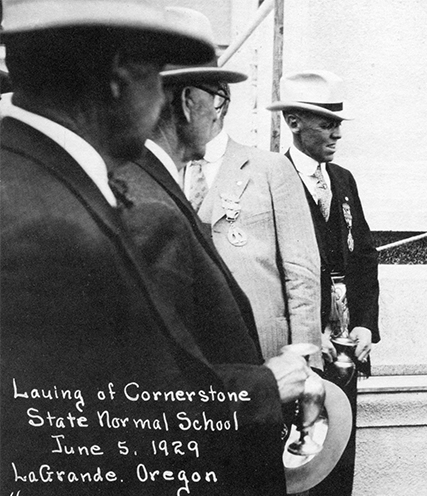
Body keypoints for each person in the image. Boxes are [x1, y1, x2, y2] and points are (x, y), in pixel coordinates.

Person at [0, 3, 308, 495]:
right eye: (158, 74)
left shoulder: (32, 175)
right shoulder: (52, 228)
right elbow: (113, 420)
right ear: (121, 74)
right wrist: (265, 388)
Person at [269, 70, 378, 496]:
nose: (336, 133)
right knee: (298, 465)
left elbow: (365, 258)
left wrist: (366, 324)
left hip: (346, 348)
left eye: (338, 122)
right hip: (300, 351)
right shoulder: (270, 176)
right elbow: (271, 271)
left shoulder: (343, 180)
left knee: (338, 460)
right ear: (294, 122)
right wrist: (310, 335)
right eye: (325, 123)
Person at [178, 65, 323, 368]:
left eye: (185, 97)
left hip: (260, 350)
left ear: (218, 103)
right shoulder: (164, 170)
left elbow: (302, 274)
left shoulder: (270, 169)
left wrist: (308, 365)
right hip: (187, 352)